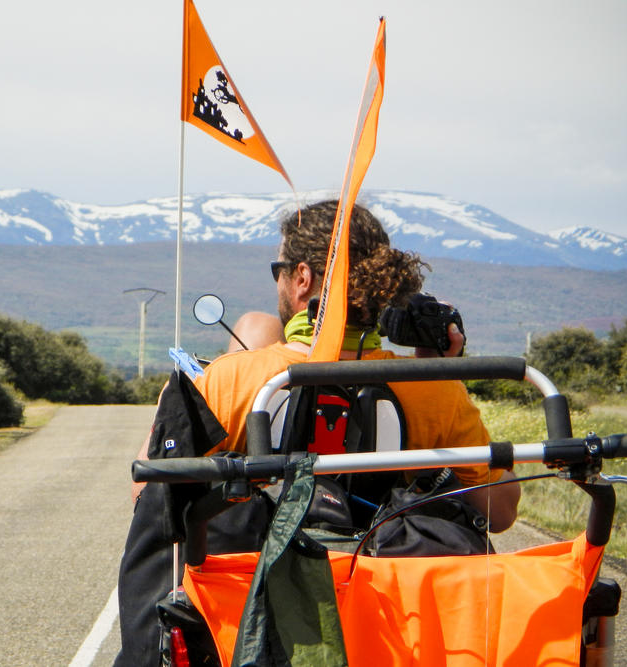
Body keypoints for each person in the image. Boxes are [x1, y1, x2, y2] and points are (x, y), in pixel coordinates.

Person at [115, 200, 519, 665]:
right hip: (383, 622)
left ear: (302, 278)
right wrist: (438, 368)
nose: (279, 282)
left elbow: (147, 492)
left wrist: (177, 396)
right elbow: (501, 511)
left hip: (248, 623)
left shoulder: (233, 378)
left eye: (279, 270)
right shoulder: (433, 389)